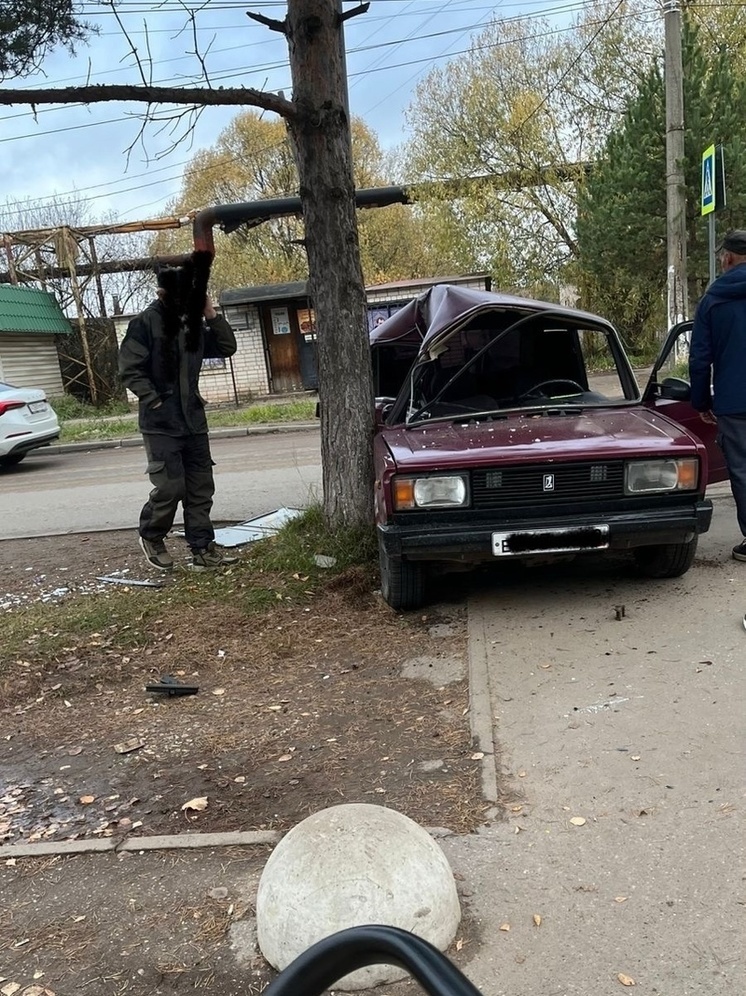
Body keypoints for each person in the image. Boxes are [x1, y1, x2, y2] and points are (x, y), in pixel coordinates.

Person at [119, 249, 238, 571]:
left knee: (200, 488)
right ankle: (151, 534)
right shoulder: (145, 322)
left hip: (194, 421)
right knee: (170, 487)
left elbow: (226, 347)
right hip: (161, 424)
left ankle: (202, 550)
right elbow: (130, 369)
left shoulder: (194, 324)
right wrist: (155, 400)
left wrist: (211, 313)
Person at [689, 229, 746, 562]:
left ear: (727, 258)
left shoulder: (712, 300)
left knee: (741, 469)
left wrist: (700, 402)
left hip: (735, 403)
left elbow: (700, 359)